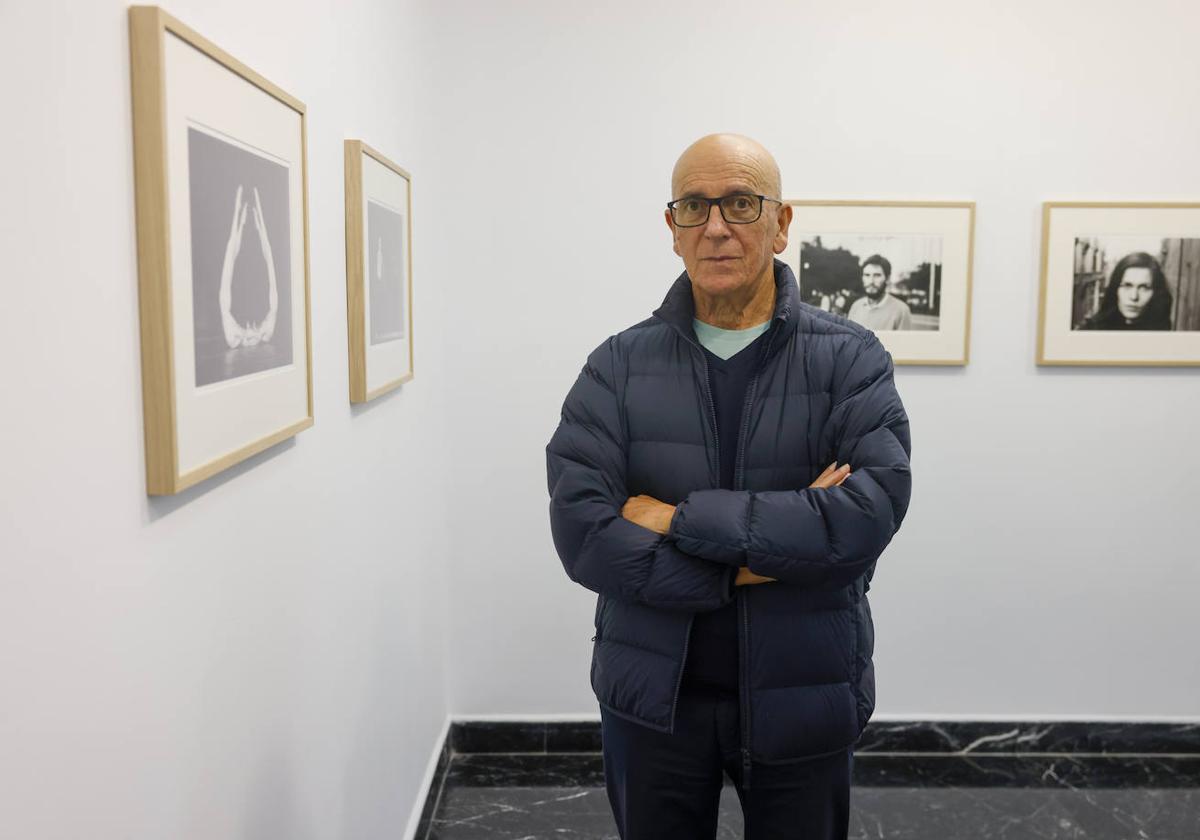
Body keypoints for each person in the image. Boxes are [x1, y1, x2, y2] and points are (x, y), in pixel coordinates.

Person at [545, 134, 912, 839]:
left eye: (740, 203)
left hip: (807, 694)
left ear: (781, 223)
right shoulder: (615, 367)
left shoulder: (850, 360)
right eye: (694, 206)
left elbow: (865, 516)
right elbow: (584, 535)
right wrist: (753, 566)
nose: (716, 226)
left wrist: (675, 518)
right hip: (653, 698)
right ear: (672, 230)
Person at [1079, 251, 1173, 330]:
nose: (1134, 297)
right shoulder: (1091, 329)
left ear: (1156, 292)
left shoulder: (1162, 329)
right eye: (1127, 286)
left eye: (1144, 288)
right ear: (1115, 289)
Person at [846, 254, 912, 331]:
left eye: (877, 275)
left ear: (887, 279)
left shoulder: (901, 310)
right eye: (867, 275)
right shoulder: (855, 307)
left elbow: (904, 342)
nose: (871, 281)